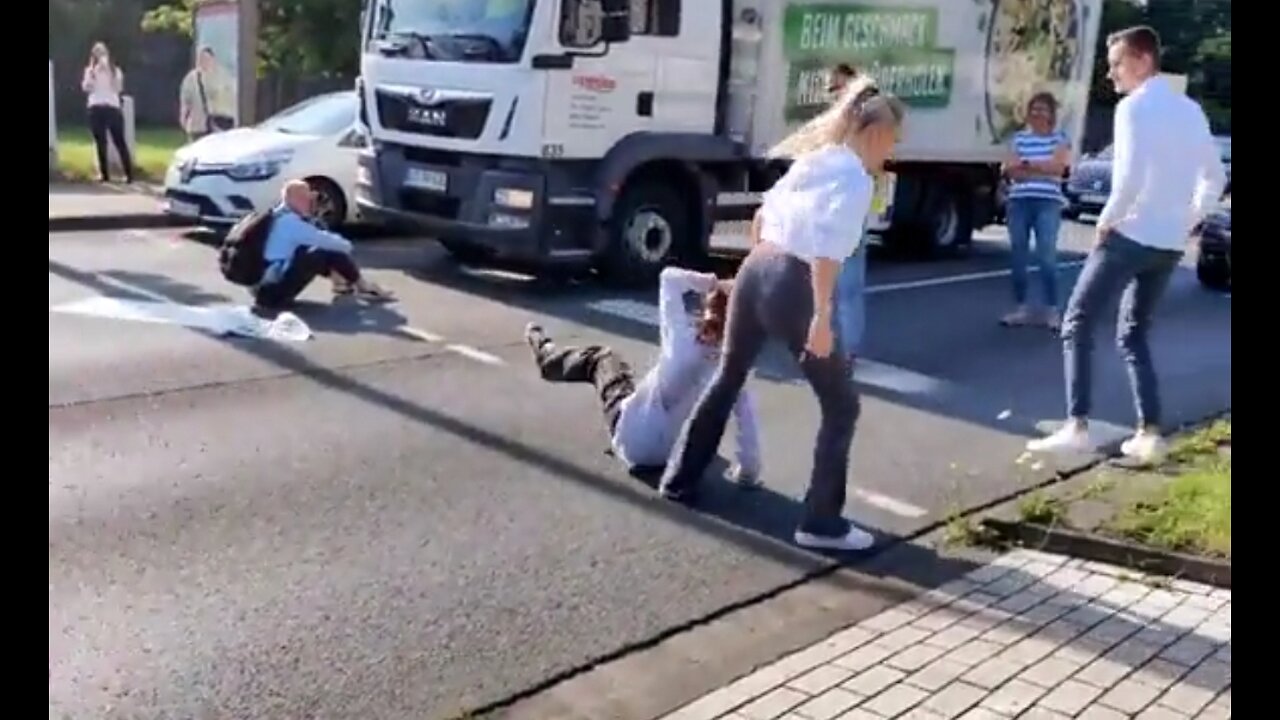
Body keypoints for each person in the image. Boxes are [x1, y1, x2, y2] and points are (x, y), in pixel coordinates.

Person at [660, 77, 906, 552]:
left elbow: (761, 216)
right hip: (795, 280)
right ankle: (820, 523)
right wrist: (820, 317)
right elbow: (828, 251)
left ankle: (679, 478)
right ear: (876, 133)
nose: (890, 153)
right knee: (842, 405)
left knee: (728, 376)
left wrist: (754, 275)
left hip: (759, 265)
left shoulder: (813, 161)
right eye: (893, 141)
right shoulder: (855, 178)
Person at [1026, 26, 1226, 462]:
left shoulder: (1133, 108)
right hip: (1169, 244)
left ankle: (1077, 425)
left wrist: (1106, 221)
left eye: (1117, 63)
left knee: (1077, 322)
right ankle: (1149, 433)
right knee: (1134, 334)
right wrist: (1189, 218)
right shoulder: (1190, 110)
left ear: (1142, 60)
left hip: (1131, 234)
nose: (1111, 73)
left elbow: (1130, 177)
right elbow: (1216, 177)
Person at [524, 267, 762, 484]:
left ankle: (547, 356)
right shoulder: (735, 366)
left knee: (602, 359)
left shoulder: (681, 340)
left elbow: (669, 277)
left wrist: (713, 282)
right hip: (675, 457)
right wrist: (747, 473)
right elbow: (747, 426)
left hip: (632, 442)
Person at [254, 180, 394, 312]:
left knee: (312, 250)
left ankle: (342, 283)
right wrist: (346, 245)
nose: (310, 202)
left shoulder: (277, 216)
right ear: (298, 200)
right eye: (307, 199)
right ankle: (363, 286)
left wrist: (312, 218)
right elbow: (339, 245)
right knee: (323, 250)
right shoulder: (291, 224)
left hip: (262, 288)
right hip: (272, 293)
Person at [1000, 92, 1071, 329]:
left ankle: (1052, 310)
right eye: (1034, 109)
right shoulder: (1018, 138)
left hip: (1048, 202)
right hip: (1019, 202)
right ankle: (1021, 308)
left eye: (1043, 109)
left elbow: (1058, 168)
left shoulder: (1060, 138)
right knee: (1019, 257)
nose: (1038, 113)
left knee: (1046, 256)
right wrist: (1040, 168)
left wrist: (1028, 165)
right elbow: (1011, 171)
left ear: (1051, 114)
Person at [81, 42, 134, 184]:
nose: (100, 57)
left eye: (102, 53)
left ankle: (129, 174)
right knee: (100, 142)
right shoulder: (90, 71)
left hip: (112, 107)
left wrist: (109, 73)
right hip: (96, 107)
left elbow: (118, 88)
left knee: (119, 141)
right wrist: (93, 74)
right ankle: (104, 174)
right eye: (97, 54)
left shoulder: (115, 71)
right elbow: (86, 87)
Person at [179, 47, 236, 141]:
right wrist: (183, 118)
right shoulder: (191, 79)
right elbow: (185, 101)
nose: (204, 61)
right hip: (198, 125)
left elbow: (230, 98)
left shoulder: (222, 76)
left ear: (213, 60)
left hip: (219, 124)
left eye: (207, 59)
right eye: (201, 59)